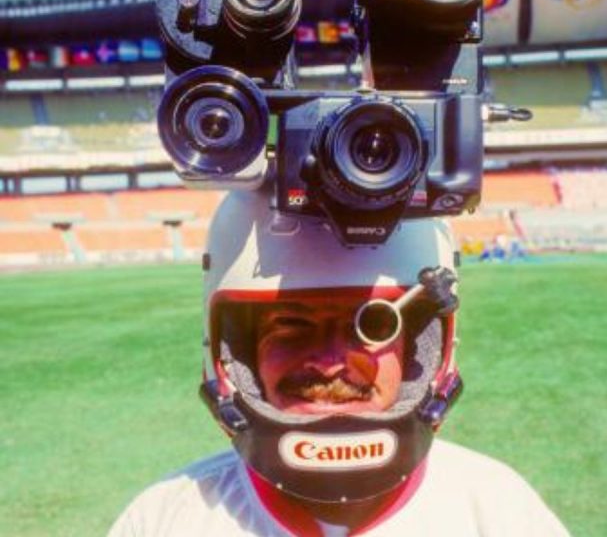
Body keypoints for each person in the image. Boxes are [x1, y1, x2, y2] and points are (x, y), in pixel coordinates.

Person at [108, 188, 571, 536]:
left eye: (373, 325)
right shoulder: (163, 520)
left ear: (418, 353)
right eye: (290, 326)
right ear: (240, 352)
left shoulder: (499, 513)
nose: (329, 363)